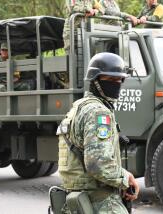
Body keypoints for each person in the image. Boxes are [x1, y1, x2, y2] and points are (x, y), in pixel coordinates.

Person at [57, 52, 139, 213]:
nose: (116, 84)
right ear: (95, 80)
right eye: (110, 80)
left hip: (75, 202)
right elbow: (97, 164)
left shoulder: (78, 107)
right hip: (100, 203)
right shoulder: (99, 113)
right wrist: (125, 178)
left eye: (119, 80)